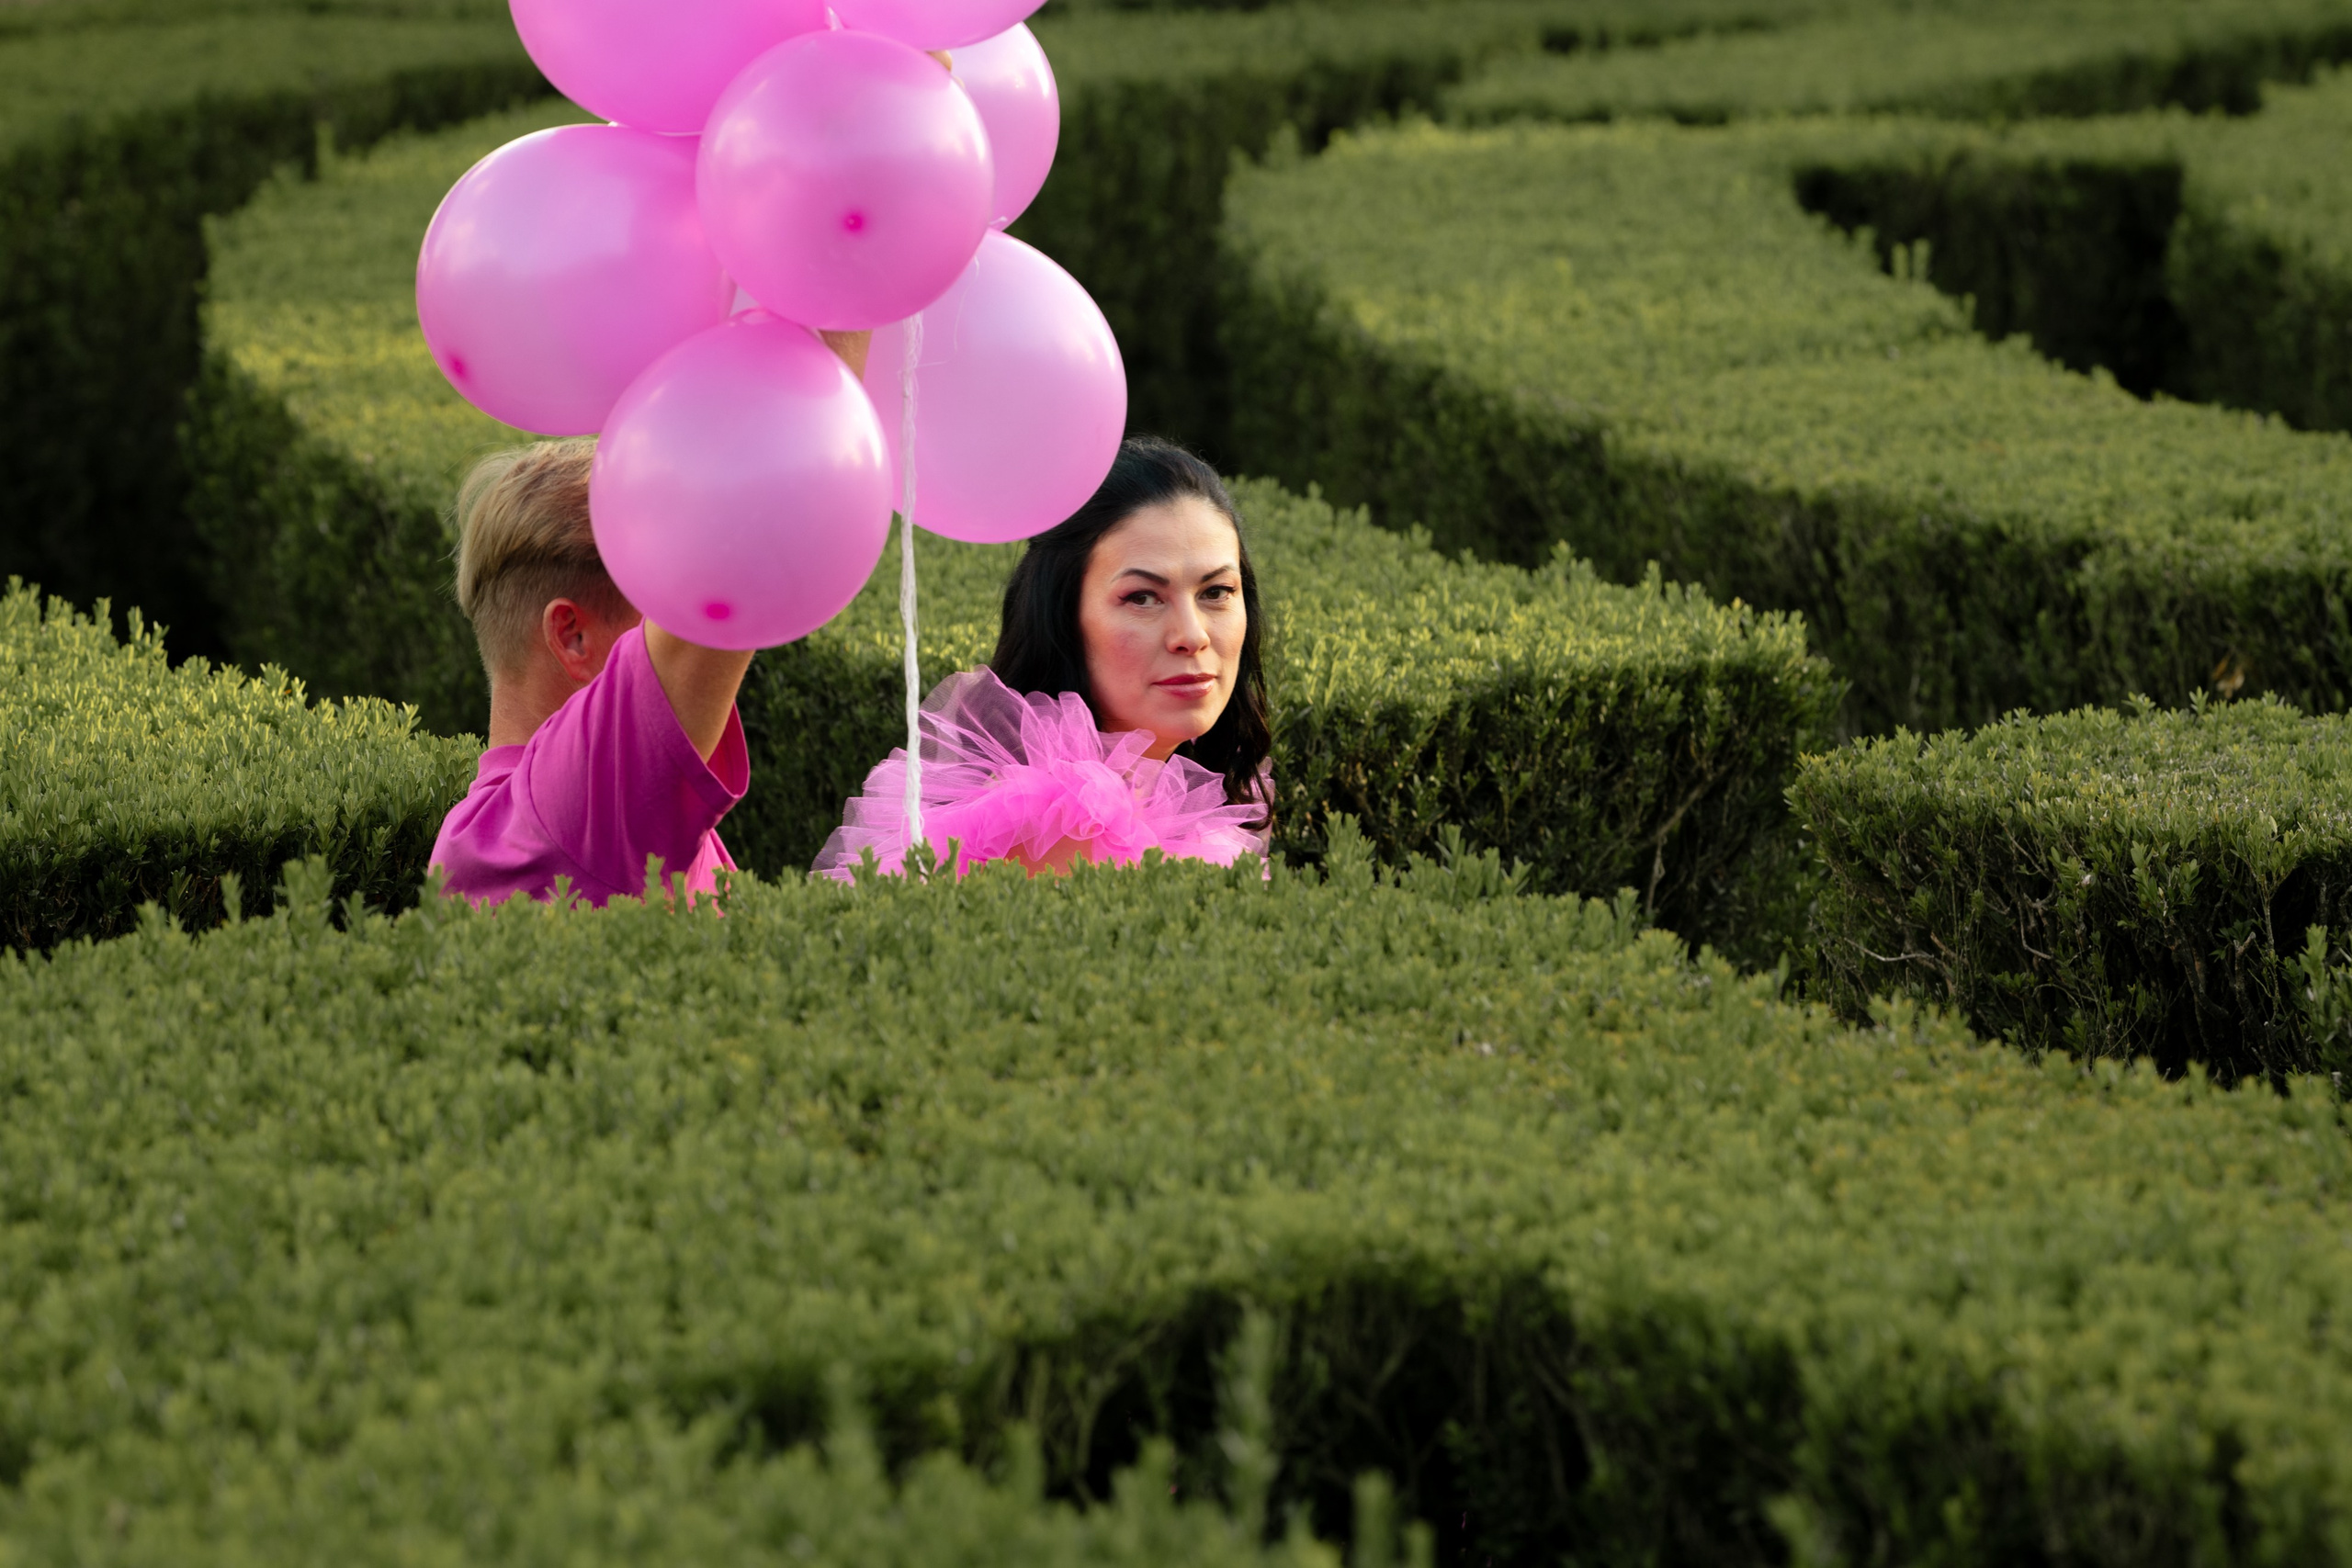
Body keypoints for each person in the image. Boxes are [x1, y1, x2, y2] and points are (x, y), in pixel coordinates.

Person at [431, 323, 870, 907]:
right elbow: (761, 502)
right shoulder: (576, 801)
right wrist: (852, 275)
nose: (691, 623)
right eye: (665, 605)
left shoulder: (493, 828)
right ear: (573, 635)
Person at [816, 436, 1274, 880]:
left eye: (1217, 591)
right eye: (1142, 598)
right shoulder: (1059, 828)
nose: (1191, 635)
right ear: (1063, 616)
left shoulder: (1190, 797)